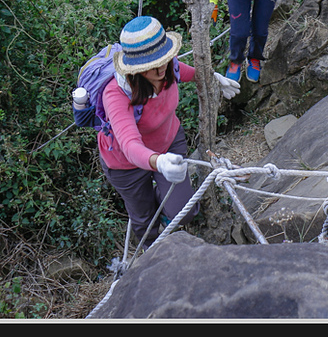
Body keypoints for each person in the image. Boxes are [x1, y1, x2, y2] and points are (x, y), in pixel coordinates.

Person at [98, 16, 240, 246]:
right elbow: (129, 144)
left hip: (169, 142)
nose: (161, 66)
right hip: (126, 164)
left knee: (185, 210)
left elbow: (186, 72)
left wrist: (214, 78)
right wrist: (158, 162)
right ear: (135, 68)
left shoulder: (168, 67)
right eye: (153, 64)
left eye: (163, 58)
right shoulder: (116, 94)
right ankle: (152, 252)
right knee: (144, 222)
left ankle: (161, 207)